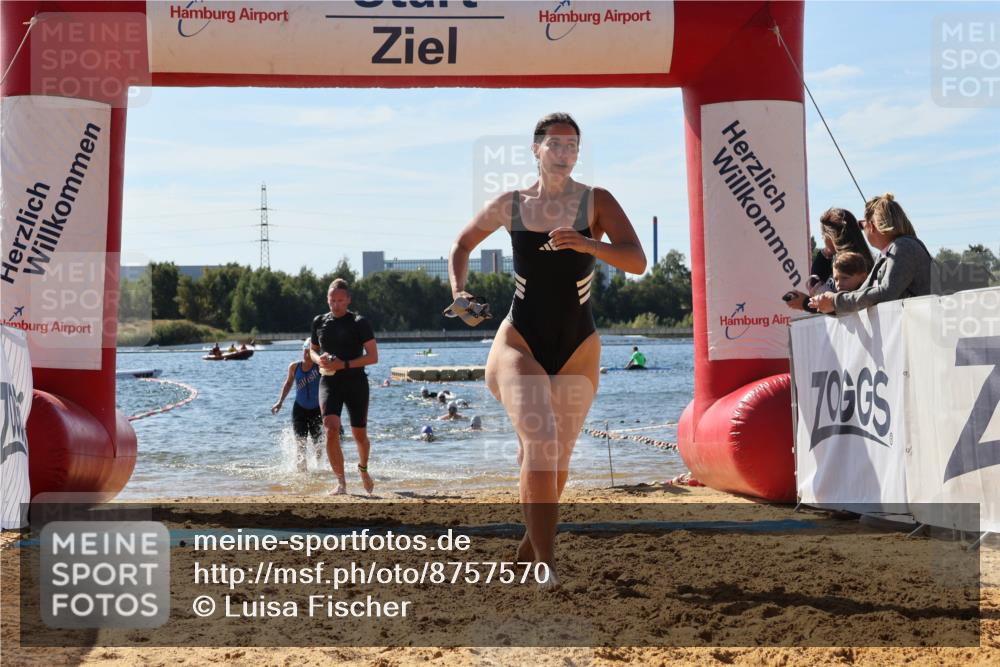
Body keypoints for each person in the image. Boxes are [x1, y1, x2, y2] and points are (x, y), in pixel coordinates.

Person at [447, 112, 646, 588]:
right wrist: (459, 292)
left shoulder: (597, 202)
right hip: (519, 341)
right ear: (536, 150)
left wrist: (588, 244)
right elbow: (461, 243)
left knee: (556, 463)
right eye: (554, 144)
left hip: (579, 345)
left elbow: (637, 260)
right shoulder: (511, 204)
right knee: (541, 444)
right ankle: (546, 567)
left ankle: (527, 548)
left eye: (572, 145)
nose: (564, 152)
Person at [810, 193, 936, 314]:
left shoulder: (902, 247)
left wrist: (835, 302)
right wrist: (829, 302)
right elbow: (861, 292)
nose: (862, 230)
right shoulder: (889, 252)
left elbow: (886, 293)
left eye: (861, 225)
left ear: (871, 226)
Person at [310, 278, 379, 495]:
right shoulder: (319, 321)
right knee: (330, 429)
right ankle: (341, 483)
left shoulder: (359, 322)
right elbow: (311, 351)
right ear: (327, 300)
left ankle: (364, 469)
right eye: (332, 300)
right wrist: (318, 358)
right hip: (329, 381)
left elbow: (373, 357)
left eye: (340, 300)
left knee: (359, 435)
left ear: (348, 300)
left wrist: (344, 364)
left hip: (356, 382)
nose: (336, 305)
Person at [785, 207, 875, 312]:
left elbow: (847, 307)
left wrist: (805, 303)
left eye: (823, 235)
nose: (822, 239)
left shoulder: (853, 263)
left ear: (830, 236)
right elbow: (816, 281)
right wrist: (826, 253)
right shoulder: (857, 259)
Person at [271, 339, 322, 472]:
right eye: (305, 351)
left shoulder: (320, 367)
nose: (307, 355)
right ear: (303, 351)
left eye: (310, 352)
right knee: (301, 443)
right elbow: (288, 384)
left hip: (317, 410)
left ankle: (318, 469)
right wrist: (280, 402)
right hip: (299, 409)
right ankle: (302, 472)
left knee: (318, 444)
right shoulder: (294, 367)